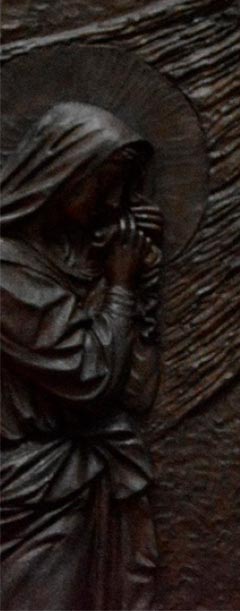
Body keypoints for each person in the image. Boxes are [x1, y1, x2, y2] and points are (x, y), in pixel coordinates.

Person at [1, 102, 162, 609]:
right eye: (105, 181)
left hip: (71, 487)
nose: (115, 200)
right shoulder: (7, 275)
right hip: (30, 495)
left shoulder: (70, 261)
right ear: (61, 175)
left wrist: (133, 279)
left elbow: (136, 391)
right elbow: (91, 378)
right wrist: (119, 286)